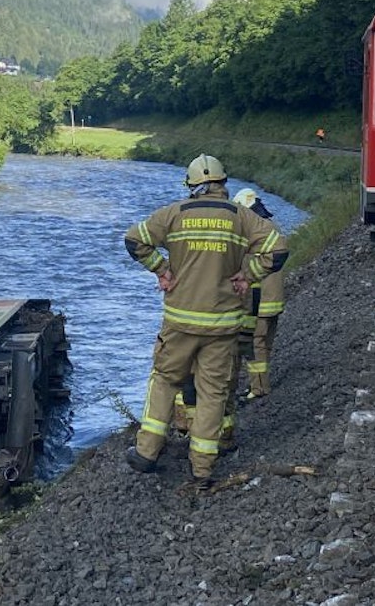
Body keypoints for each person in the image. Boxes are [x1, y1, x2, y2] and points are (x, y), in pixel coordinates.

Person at [123, 154, 287, 492]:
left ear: (192, 186)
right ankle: (201, 470)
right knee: (213, 393)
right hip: (223, 325)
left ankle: (146, 452)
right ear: (223, 184)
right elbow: (278, 247)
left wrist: (162, 269)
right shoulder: (242, 218)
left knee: (166, 381)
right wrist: (249, 274)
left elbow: (134, 240)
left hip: (179, 322)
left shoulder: (174, 213)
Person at [231, 188, 284, 402]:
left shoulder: (253, 234)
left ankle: (259, 388)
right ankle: (261, 382)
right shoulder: (272, 228)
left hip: (259, 299)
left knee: (255, 344)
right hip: (275, 298)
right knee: (265, 343)